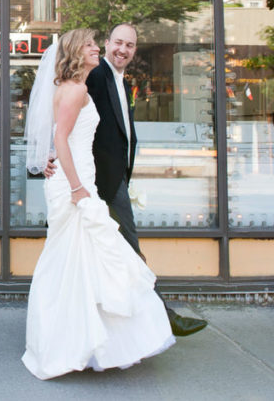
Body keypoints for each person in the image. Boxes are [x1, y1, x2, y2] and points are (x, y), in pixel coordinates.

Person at [22, 29, 174, 379]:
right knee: (77, 259)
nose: (98, 49)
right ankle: (78, 342)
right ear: (79, 51)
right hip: (76, 185)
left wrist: (58, 165)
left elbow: (61, 135)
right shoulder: (76, 90)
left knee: (79, 262)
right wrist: (77, 188)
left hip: (79, 179)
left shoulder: (73, 87)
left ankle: (86, 340)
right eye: (92, 45)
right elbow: (61, 136)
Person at [82, 23, 208, 337]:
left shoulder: (122, 83)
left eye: (130, 46)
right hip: (102, 185)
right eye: (118, 43)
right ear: (107, 43)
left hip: (114, 180)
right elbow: (72, 122)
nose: (123, 50)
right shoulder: (96, 77)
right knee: (132, 253)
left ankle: (112, 325)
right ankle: (165, 318)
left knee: (111, 257)